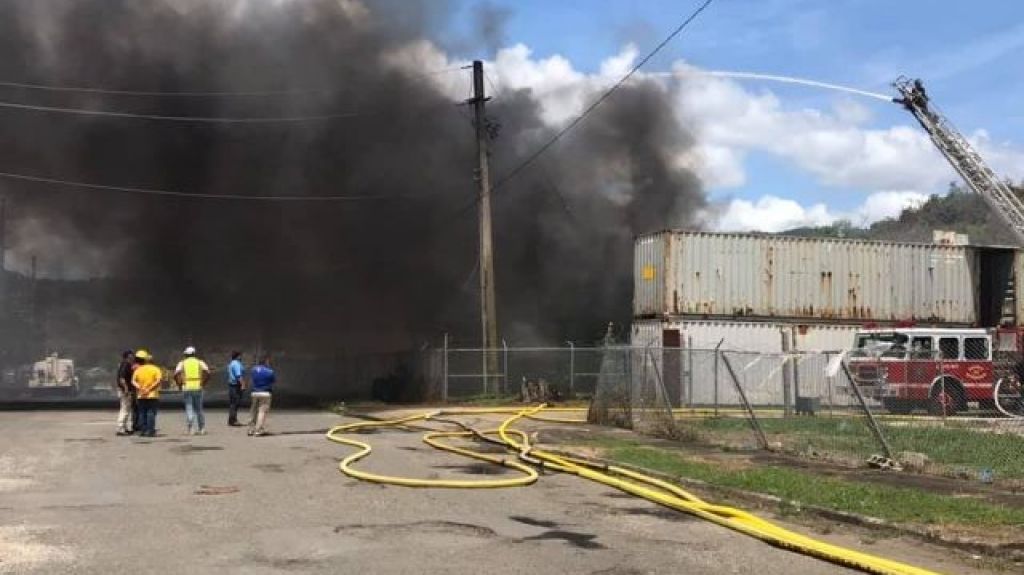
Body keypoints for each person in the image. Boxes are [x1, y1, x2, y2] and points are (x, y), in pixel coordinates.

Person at [174, 346, 211, 435]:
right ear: (194, 354)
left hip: (187, 387)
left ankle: (191, 429)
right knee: (199, 409)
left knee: (189, 408)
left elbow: (176, 375)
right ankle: (202, 429)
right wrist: (203, 383)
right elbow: (208, 373)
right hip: (198, 387)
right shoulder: (200, 362)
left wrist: (179, 384)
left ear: (186, 354)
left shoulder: (182, 363)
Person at [132, 350, 163, 437]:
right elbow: (158, 381)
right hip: (152, 395)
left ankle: (143, 431)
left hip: (141, 395)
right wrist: (149, 389)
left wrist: (140, 388)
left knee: (142, 413)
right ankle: (150, 431)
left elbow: (133, 381)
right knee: (151, 413)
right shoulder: (156, 369)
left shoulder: (138, 369)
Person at [247, 355, 275, 437]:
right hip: (265, 393)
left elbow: (252, 379)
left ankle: (250, 429)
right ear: (266, 362)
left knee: (253, 411)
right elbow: (272, 381)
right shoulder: (270, 371)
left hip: (255, 392)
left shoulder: (253, 370)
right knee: (262, 412)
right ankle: (258, 430)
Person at [115, 350, 135, 436]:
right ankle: (120, 428)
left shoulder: (124, 364)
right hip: (125, 391)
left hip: (123, 390)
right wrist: (126, 388)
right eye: (131, 355)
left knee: (126, 409)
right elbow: (122, 378)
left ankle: (124, 427)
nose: (133, 356)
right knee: (124, 409)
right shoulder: (126, 364)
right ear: (128, 356)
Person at [226, 351, 246, 426]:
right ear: (238, 356)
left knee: (232, 404)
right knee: (235, 403)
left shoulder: (231, 363)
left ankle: (231, 420)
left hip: (231, 385)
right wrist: (243, 384)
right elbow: (238, 375)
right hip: (236, 386)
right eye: (240, 356)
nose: (241, 357)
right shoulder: (236, 364)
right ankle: (233, 420)